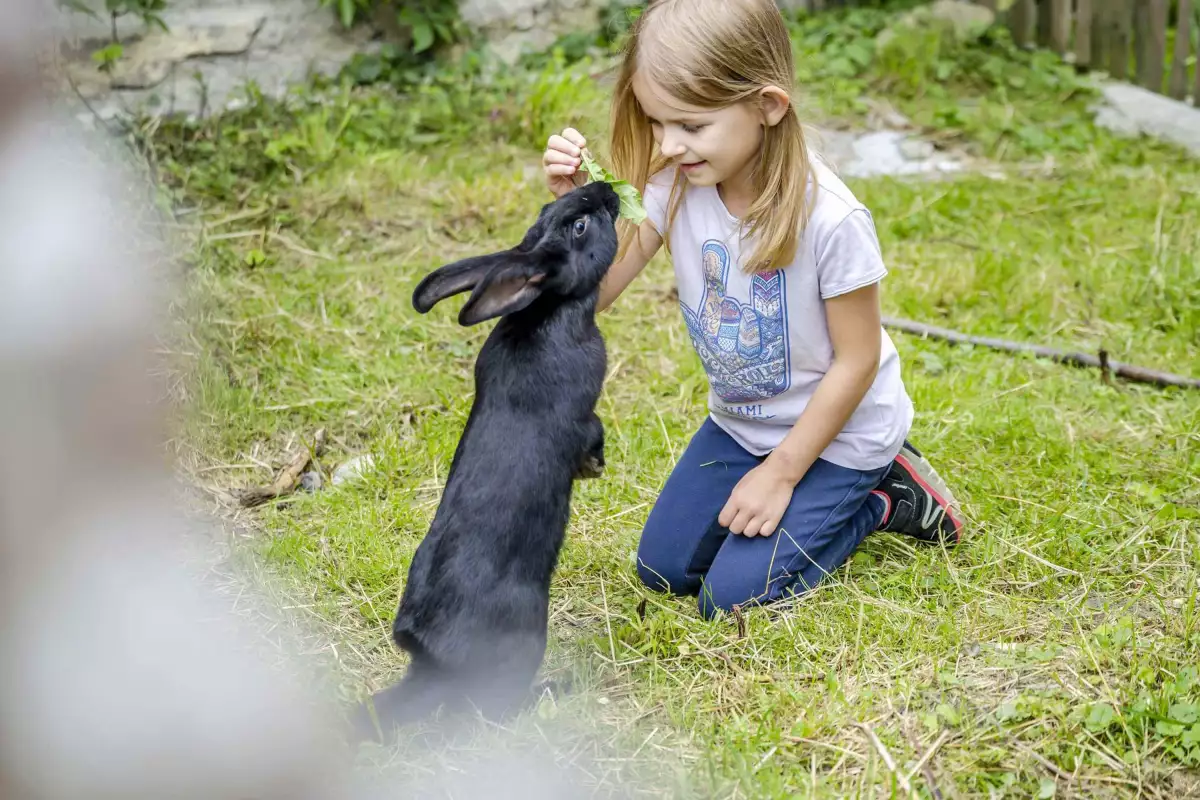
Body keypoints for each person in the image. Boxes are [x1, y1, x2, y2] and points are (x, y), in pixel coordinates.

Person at [541, 0, 964, 620]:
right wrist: (574, 217)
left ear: (767, 106)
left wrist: (784, 474)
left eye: (690, 125)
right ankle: (811, 487)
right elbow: (593, 293)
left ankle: (886, 494)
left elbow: (858, 360)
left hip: (839, 435)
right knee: (662, 571)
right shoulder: (674, 184)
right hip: (741, 425)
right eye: (656, 123)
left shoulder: (832, 220)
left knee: (731, 599)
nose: (668, 144)